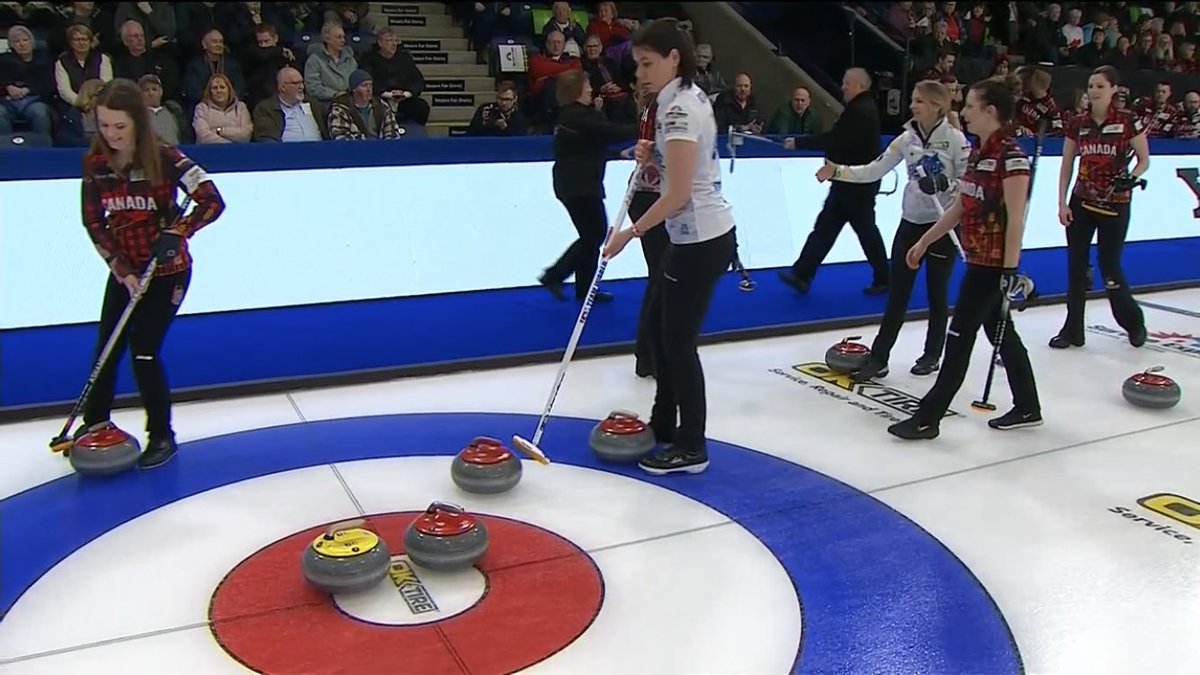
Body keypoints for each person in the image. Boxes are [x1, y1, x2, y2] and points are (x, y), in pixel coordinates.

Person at [602, 18, 737, 475]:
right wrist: (650, 155)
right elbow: (678, 169)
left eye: (647, 63)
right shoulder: (679, 99)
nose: (640, 73)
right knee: (663, 331)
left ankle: (692, 444)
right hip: (691, 235)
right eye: (637, 64)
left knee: (677, 343)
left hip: (701, 237)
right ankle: (663, 422)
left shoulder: (678, 109)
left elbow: (678, 194)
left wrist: (630, 233)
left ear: (674, 58)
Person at [75, 77, 226, 468]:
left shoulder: (165, 157)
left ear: (138, 123)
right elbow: (93, 221)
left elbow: (212, 200)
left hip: (167, 272)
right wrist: (119, 266)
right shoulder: (96, 164)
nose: (111, 135)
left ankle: (161, 435)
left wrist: (179, 232)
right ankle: (95, 423)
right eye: (104, 125)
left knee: (143, 350)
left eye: (120, 126)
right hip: (126, 271)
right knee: (107, 345)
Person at [887, 75, 1043, 440]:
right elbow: (960, 206)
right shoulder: (978, 151)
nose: (965, 112)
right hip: (976, 257)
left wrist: (1009, 269)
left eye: (971, 106)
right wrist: (925, 241)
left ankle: (928, 417)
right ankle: (1028, 406)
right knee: (1002, 334)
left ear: (991, 111)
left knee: (959, 338)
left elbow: (1016, 219)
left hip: (991, 266)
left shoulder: (1012, 158)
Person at [815, 80, 972, 381]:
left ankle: (931, 354)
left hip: (942, 225)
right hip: (911, 222)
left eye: (920, 101)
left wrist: (945, 184)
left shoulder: (955, 140)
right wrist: (838, 171)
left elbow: (969, 182)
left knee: (937, 293)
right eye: (913, 99)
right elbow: (874, 169)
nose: (912, 106)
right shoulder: (906, 139)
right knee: (898, 294)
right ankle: (879, 357)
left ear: (937, 105)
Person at [1051, 65, 1150, 350]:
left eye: (1100, 86)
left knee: (1110, 266)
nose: (1094, 91)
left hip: (1115, 204)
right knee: (1076, 266)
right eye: (1091, 86)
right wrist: (1062, 202)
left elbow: (1144, 159)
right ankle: (1073, 330)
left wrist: (1131, 177)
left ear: (1113, 89)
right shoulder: (1077, 122)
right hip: (1081, 202)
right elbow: (1067, 164)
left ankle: (1133, 322)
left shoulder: (1128, 120)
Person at [777, 67, 890, 296]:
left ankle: (884, 277)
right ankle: (802, 274)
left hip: (856, 185)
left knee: (861, 231)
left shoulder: (859, 111)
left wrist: (799, 143)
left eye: (847, 82)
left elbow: (836, 139)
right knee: (827, 228)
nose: (843, 86)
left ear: (860, 86)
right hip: (849, 182)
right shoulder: (863, 108)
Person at [539, 69, 637, 303]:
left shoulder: (572, 116)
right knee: (594, 234)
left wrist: (617, 154)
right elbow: (609, 132)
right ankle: (554, 275)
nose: (591, 89)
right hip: (579, 183)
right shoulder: (577, 116)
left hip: (576, 182)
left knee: (591, 235)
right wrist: (645, 126)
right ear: (577, 90)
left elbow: (588, 144)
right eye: (587, 85)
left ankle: (584, 289)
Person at [626, 79, 671, 379]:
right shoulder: (660, 109)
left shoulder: (654, 108)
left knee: (660, 277)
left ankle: (648, 354)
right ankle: (650, 355)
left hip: (649, 195)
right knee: (660, 277)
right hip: (651, 197)